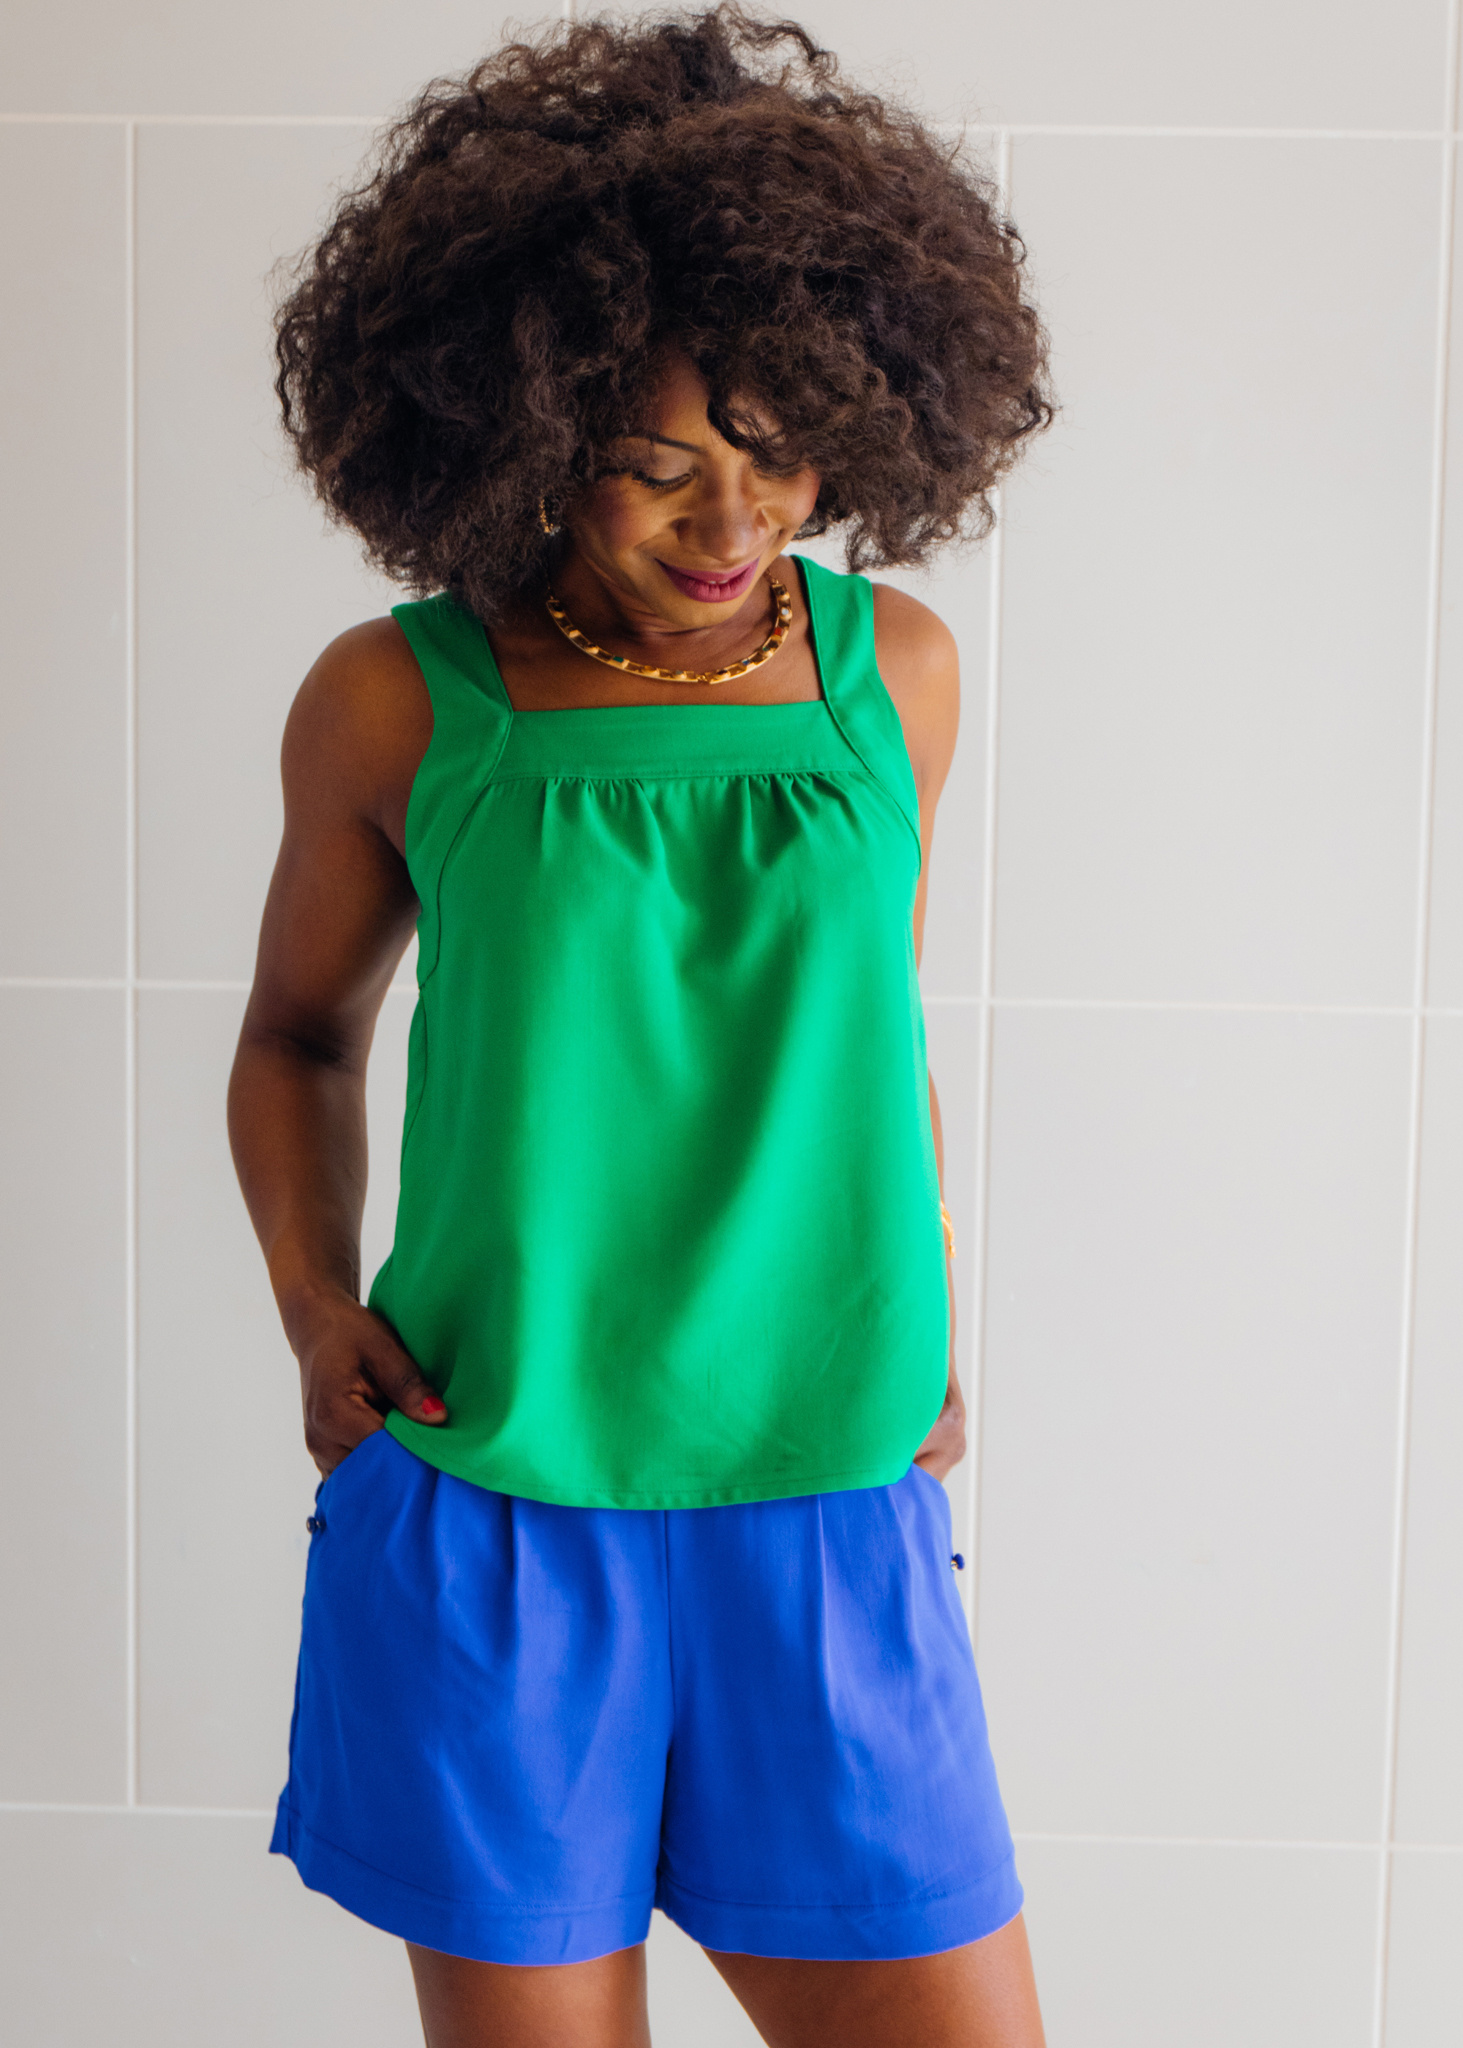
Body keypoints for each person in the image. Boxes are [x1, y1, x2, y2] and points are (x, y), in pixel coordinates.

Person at [227, 8, 1052, 2043]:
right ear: (523, 434)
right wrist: (314, 1308)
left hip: (828, 1501)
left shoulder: (899, 675)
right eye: (654, 468)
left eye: (780, 452)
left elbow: (863, 1035)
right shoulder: (398, 698)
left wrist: (922, 1297)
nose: (731, 522)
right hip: (501, 1503)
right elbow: (300, 1037)